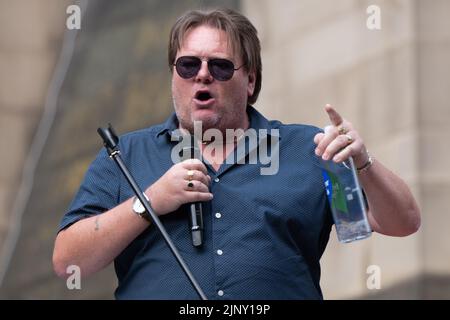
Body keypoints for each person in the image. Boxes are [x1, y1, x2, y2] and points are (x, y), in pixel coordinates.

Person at [52, 8, 421, 299]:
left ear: (250, 81)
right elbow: (69, 262)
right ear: (173, 74)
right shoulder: (127, 155)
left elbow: (401, 222)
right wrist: (148, 202)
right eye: (188, 65)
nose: (202, 75)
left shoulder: (307, 149)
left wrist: (362, 163)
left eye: (221, 66)